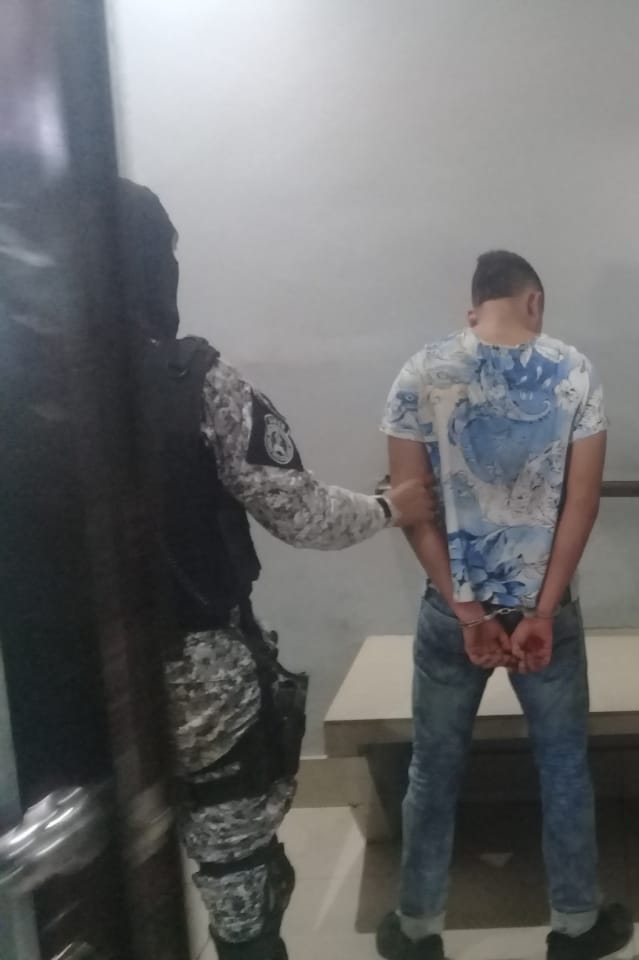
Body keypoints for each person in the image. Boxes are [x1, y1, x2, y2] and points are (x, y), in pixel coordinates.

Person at [116, 180, 435, 960]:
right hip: (198, 680)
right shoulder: (197, 382)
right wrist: (391, 507)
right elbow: (303, 514)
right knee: (238, 883)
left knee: (93, 895)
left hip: (63, 698)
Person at [377, 251, 633, 960]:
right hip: (545, 610)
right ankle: (575, 926)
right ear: (534, 301)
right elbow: (582, 503)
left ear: (474, 306)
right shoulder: (575, 372)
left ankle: (417, 928)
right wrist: (543, 611)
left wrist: (467, 611)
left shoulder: (419, 372)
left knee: (433, 769)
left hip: (452, 611)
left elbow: (411, 509)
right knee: (563, 766)